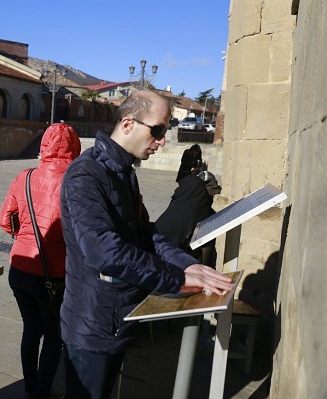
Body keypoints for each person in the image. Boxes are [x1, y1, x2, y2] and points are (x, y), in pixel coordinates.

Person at [59, 90, 232, 398]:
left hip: (118, 320)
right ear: (127, 124)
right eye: (158, 130)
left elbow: (146, 234)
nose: (163, 140)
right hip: (93, 327)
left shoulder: (124, 172)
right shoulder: (85, 175)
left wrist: (187, 264)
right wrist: (177, 278)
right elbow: (104, 251)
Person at [0, 122, 81, 399]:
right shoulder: (77, 181)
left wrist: (23, 236)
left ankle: (29, 386)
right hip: (54, 276)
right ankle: (41, 393)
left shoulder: (24, 176)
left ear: (44, 145)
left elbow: (5, 220)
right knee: (53, 336)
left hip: (20, 268)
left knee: (30, 328)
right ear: (75, 147)